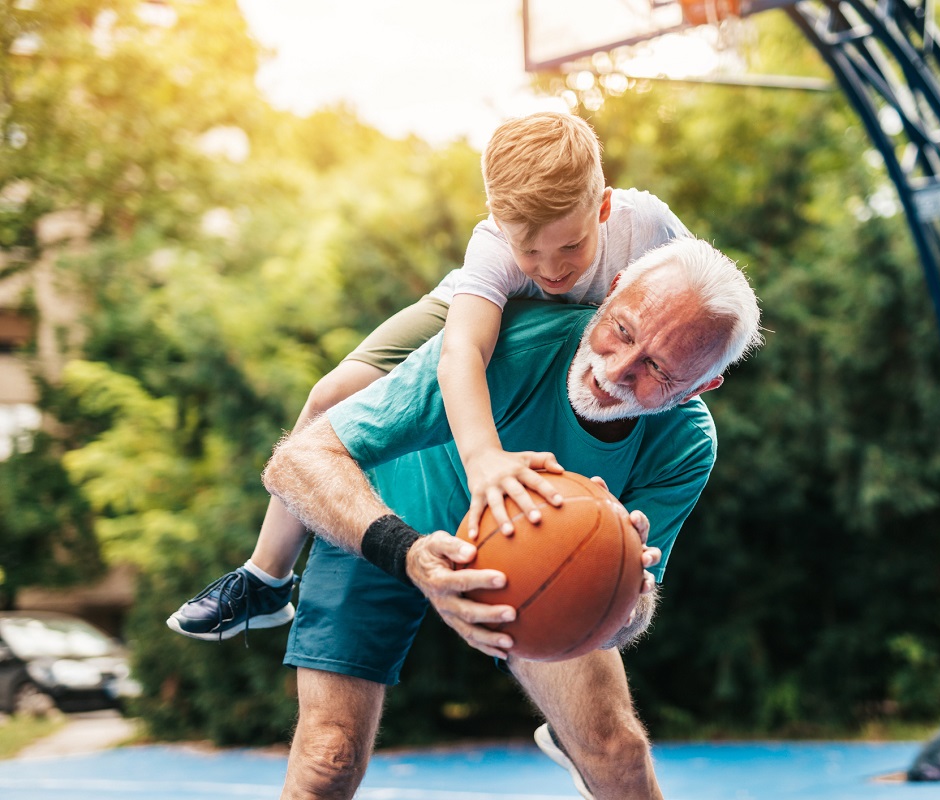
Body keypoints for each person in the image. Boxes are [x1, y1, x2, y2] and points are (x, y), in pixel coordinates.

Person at [262, 237, 762, 799]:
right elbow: (297, 460)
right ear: (613, 291)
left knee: (617, 751)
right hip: (384, 517)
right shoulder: (501, 347)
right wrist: (406, 551)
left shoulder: (685, 444)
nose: (616, 370)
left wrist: (626, 595)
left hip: (532, 565)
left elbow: (636, 611)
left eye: (657, 369)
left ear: (702, 385)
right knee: (329, 757)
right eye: (621, 330)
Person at [167, 112, 694, 640]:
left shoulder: (649, 226)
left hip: (585, 351)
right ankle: (266, 578)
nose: (552, 269)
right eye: (528, 250)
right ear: (496, 218)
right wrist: (483, 456)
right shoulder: (492, 246)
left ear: (602, 207)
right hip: (483, 312)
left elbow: (703, 310)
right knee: (330, 395)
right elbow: (464, 348)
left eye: (570, 248)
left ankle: (579, 689)